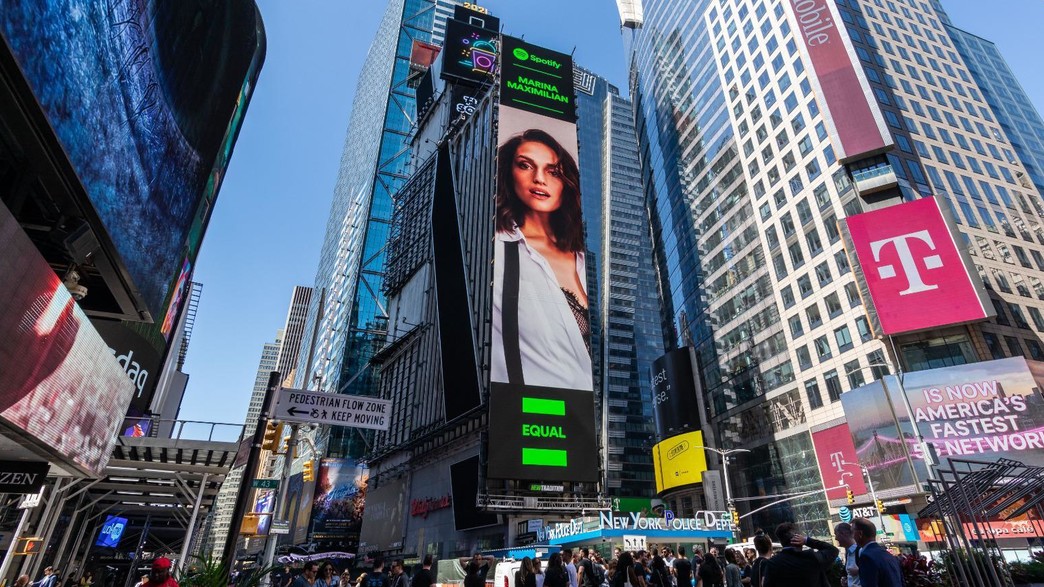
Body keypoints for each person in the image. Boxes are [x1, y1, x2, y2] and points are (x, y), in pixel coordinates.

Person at [492, 129, 592, 391]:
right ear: (508, 173)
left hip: (605, 409)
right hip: (533, 407)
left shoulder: (588, 258)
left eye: (553, 172)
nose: (539, 179)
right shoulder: (497, 251)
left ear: (567, 182)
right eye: (525, 165)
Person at [762, 523, 838, 587]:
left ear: (781, 541)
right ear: (798, 538)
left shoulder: (773, 563)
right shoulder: (812, 557)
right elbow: (833, 550)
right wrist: (806, 540)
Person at [852, 518, 902, 587]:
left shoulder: (867, 557)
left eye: (852, 532)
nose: (852, 536)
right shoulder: (889, 555)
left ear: (860, 534)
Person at [834, 523, 861, 587]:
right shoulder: (848, 552)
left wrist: (860, 571)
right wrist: (847, 581)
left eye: (836, 534)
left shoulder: (861, 551)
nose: (835, 538)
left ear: (843, 533)